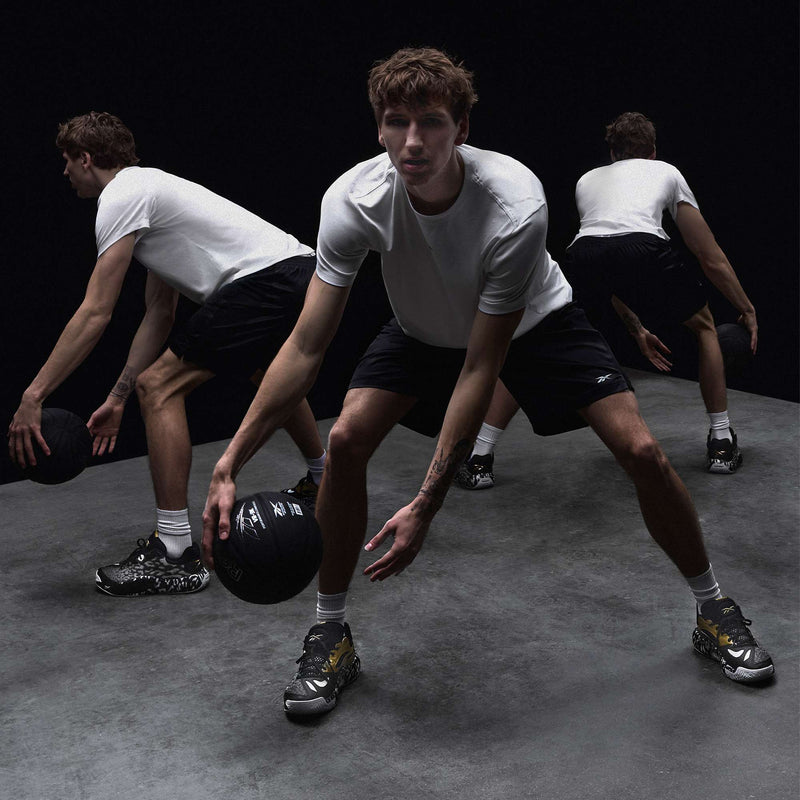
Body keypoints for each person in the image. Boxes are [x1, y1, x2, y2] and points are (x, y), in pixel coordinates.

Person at [202, 48, 774, 716]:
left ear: (462, 128)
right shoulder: (352, 199)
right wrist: (228, 463)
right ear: (379, 127)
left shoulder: (513, 202)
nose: (413, 141)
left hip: (536, 324)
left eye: (431, 122)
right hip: (421, 330)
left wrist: (426, 503)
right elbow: (305, 344)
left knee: (643, 451)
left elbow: (482, 364)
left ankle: (713, 608)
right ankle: (330, 632)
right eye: (397, 122)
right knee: (348, 440)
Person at [8, 111, 327, 597]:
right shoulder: (150, 192)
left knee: (158, 388)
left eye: (68, 160)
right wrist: (118, 398)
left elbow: (95, 311)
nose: (64, 171)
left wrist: (34, 395)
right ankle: (323, 480)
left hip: (267, 281)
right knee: (265, 375)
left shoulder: (121, 195)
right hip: (301, 274)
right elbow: (160, 313)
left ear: (86, 158)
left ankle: (175, 552)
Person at [456, 112, 758, 488]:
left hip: (582, 253)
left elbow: (607, 264)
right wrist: (746, 308)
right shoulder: (665, 170)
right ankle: (722, 443)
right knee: (705, 328)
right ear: (652, 151)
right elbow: (708, 256)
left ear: (612, 153)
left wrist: (636, 329)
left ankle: (480, 458)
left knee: (539, 342)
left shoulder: (587, 180)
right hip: (644, 246)